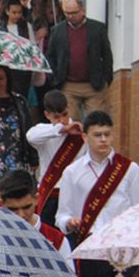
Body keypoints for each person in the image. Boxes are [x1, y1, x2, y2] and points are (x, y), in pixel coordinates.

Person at [57, 110, 139, 277]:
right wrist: (70, 222)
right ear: (85, 137)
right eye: (97, 135)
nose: (103, 140)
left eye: (107, 134)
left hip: (124, 247)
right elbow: (61, 214)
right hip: (91, 247)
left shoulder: (129, 169)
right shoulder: (72, 172)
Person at [47, 0, 114, 119]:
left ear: (83, 11)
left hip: (94, 85)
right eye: (67, 13)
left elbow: (107, 55)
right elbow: (50, 56)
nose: (71, 16)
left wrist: (106, 79)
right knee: (72, 123)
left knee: (97, 121)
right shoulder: (57, 31)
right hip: (68, 85)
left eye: (74, 13)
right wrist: (54, 78)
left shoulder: (97, 28)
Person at [25, 89, 83, 225]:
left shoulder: (80, 133)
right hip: (50, 195)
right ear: (47, 115)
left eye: (64, 114)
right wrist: (61, 129)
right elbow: (30, 136)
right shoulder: (44, 131)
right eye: (57, 117)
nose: (62, 120)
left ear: (68, 108)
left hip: (73, 196)